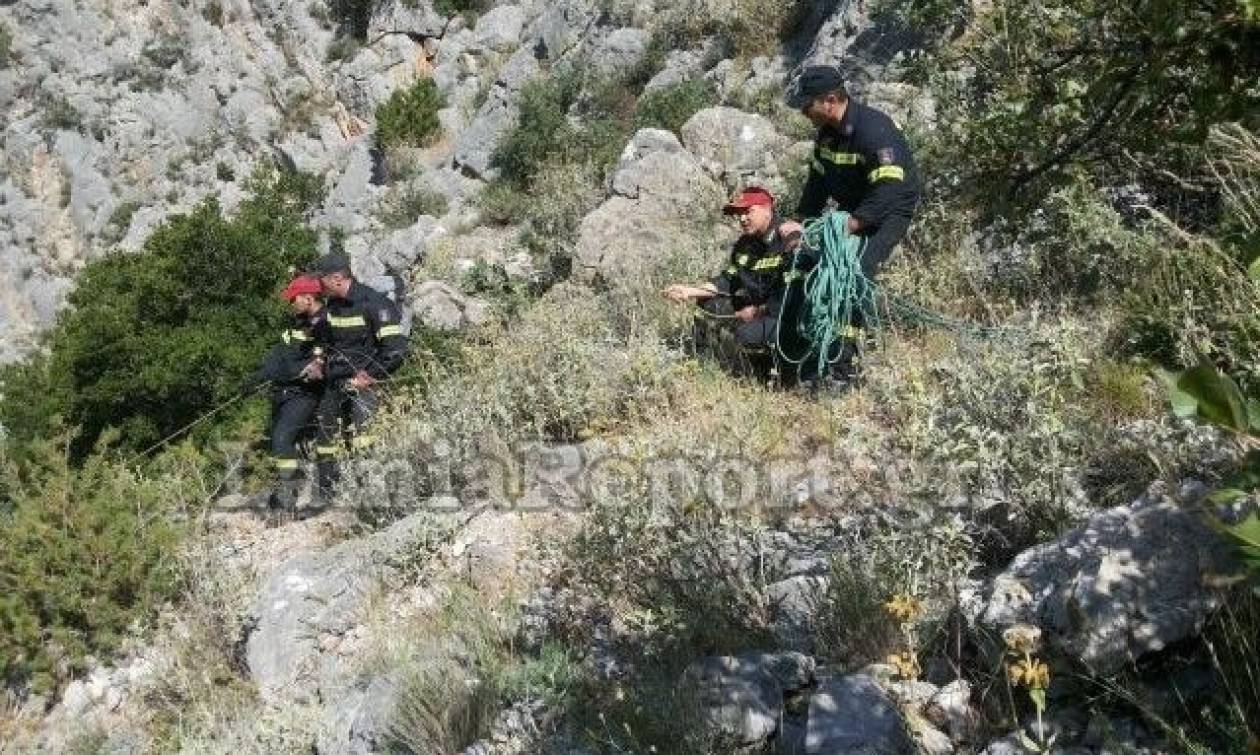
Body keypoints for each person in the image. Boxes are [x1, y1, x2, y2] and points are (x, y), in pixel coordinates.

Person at [785, 65, 922, 381]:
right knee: (814, 265)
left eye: (808, 105)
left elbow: (889, 187)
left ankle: (844, 368)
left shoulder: (874, 130)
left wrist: (856, 223)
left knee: (855, 273)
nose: (804, 112)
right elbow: (817, 183)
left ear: (830, 100)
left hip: (888, 212)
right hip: (854, 212)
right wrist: (799, 221)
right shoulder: (827, 137)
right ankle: (813, 349)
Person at [663, 186, 803, 375]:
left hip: (786, 317)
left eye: (748, 211)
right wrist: (689, 291)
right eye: (739, 214)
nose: (742, 219)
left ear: (767, 209)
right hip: (756, 311)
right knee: (708, 304)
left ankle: (769, 372)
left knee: (744, 336)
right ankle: (704, 364)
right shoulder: (744, 245)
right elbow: (727, 280)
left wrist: (759, 312)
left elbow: (795, 294)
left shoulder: (788, 237)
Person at [308, 252, 409, 498]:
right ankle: (326, 496)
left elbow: (395, 350)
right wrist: (318, 361)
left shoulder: (375, 303)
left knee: (365, 439)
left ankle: (371, 494)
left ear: (337, 278)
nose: (318, 286)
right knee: (326, 438)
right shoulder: (333, 307)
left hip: (365, 385)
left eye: (321, 280)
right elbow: (324, 339)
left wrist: (368, 375)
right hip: (335, 382)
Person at [251, 275, 329, 519]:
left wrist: (296, 371)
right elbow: (279, 357)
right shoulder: (295, 324)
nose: (291, 303)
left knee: (283, 439)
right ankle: (285, 493)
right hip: (282, 394)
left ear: (308, 297)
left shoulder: (324, 324)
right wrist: (255, 379)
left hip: (304, 394)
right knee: (279, 442)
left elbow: (316, 364)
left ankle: (288, 499)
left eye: (294, 299)